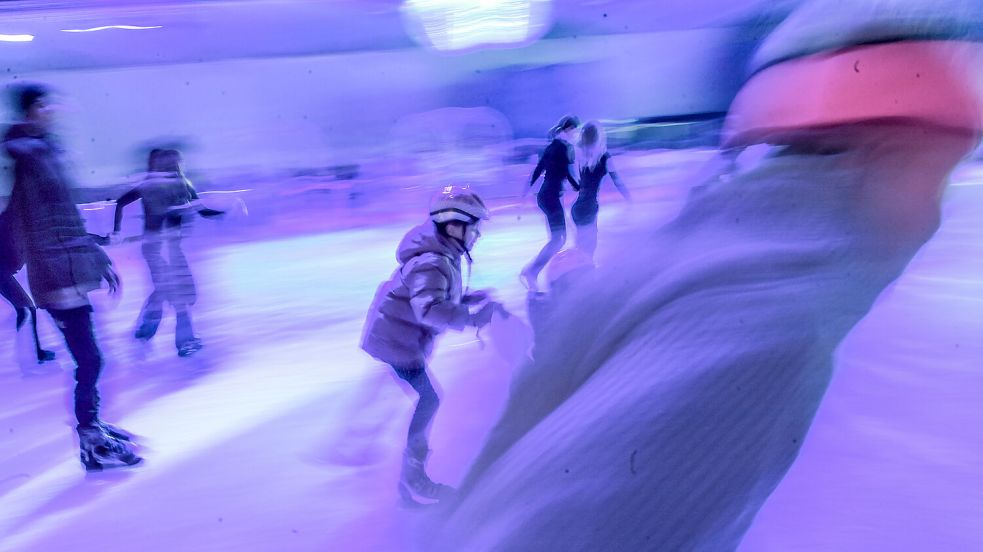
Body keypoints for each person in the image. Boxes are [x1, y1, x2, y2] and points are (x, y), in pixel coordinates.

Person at [428, 1, 983, 549]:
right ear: (884, 152)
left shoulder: (684, 250)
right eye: (937, 172)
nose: (933, 216)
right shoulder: (765, 330)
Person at [3, 83, 141, 471]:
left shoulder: (46, 152)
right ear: (31, 110)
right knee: (90, 359)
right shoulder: (30, 158)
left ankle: (92, 425)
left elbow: (66, 215)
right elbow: (39, 225)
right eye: (44, 105)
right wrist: (65, 272)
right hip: (56, 273)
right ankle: (90, 439)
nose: (53, 110)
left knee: (91, 357)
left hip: (68, 267)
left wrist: (95, 256)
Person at [361, 185, 503, 505]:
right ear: (454, 226)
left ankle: (402, 472)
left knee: (425, 397)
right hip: (396, 342)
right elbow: (429, 310)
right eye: (474, 227)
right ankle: (412, 479)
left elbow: (435, 296)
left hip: (399, 337)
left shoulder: (442, 255)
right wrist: (474, 318)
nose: (478, 235)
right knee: (430, 400)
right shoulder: (432, 261)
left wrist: (469, 298)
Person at [112, 148, 223, 357]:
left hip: (172, 248)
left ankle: (145, 332)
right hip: (156, 249)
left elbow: (203, 210)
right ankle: (185, 342)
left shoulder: (183, 185)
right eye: (172, 162)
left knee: (167, 291)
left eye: (177, 162)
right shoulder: (151, 186)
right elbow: (120, 203)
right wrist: (116, 231)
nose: (176, 166)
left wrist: (226, 212)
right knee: (177, 294)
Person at [520, 115, 580, 291]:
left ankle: (532, 271)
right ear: (568, 129)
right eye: (575, 129)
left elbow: (538, 171)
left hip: (545, 196)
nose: (576, 133)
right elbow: (567, 173)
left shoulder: (551, 147)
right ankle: (532, 271)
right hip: (551, 196)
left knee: (558, 238)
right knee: (558, 238)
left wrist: (525, 191)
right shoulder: (566, 148)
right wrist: (580, 188)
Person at [0, 206, 55, 364]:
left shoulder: (23, 226)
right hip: (1, 273)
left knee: (25, 311)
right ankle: (35, 353)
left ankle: (33, 351)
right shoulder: (11, 221)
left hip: (4, 272)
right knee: (28, 309)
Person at [571, 121, 631, 258]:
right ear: (599, 137)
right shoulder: (604, 157)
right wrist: (629, 198)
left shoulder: (581, 156)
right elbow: (617, 181)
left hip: (577, 209)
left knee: (581, 248)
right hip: (589, 208)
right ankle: (585, 276)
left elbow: (578, 183)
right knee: (589, 249)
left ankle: (576, 274)